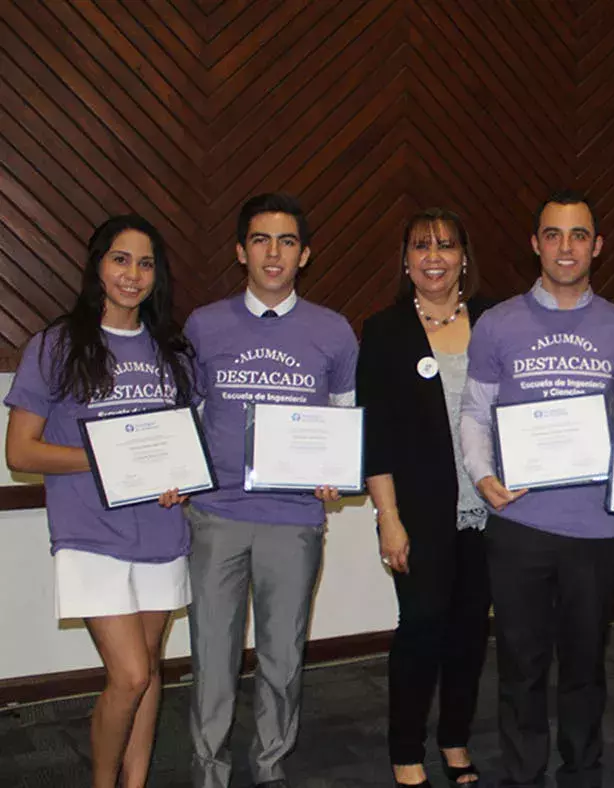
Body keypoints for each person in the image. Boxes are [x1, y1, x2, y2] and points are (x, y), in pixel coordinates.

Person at [5, 215, 195, 788]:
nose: (132, 274)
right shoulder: (58, 344)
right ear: (97, 265)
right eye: (120, 259)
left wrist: (180, 476)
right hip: (90, 535)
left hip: (161, 529)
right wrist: (104, 455)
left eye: (144, 263)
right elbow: (21, 451)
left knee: (151, 671)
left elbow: (186, 443)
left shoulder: (172, 350)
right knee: (130, 675)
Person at [183, 193, 359, 788]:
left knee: (283, 657)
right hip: (216, 515)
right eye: (261, 240)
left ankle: (270, 768)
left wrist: (338, 470)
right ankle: (209, 771)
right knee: (213, 657)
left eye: (287, 241)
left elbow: (343, 417)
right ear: (241, 250)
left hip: (294, 519)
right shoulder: (203, 325)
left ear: (304, 255)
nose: (273, 253)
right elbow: (189, 416)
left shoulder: (333, 331)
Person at [458, 190, 614, 788]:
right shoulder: (497, 323)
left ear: (597, 245)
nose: (566, 247)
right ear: (536, 243)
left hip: (596, 528)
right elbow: (475, 414)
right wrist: (482, 476)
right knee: (521, 668)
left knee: (585, 668)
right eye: (553, 234)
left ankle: (583, 773)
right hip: (520, 525)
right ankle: (523, 776)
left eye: (579, 234)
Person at [357, 209, 498, 787]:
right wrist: (387, 519)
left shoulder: (495, 322)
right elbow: (377, 434)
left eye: (445, 245)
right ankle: (406, 749)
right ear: (406, 259)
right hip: (418, 511)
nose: (433, 257)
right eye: (421, 246)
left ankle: (456, 740)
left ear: (465, 255)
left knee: (469, 629)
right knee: (421, 624)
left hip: (492, 510)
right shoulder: (384, 330)